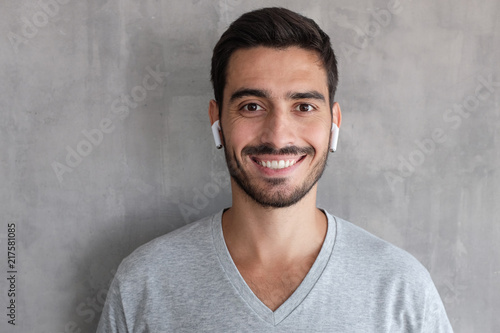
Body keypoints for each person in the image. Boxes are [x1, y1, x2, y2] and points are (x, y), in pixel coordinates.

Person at [97, 7, 453, 332]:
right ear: (217, 120)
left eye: (304, 106)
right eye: (252, 106)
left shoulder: (401, 289)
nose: (278, 135)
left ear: (334, 123)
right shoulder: (144, 283)